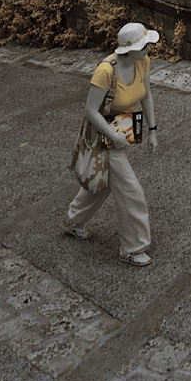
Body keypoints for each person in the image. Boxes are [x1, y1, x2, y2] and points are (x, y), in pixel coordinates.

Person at [63, 20, 160, 263]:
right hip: (102, 132)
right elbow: (91, 111)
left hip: (123, 125)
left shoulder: (143, 61)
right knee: (130, 190)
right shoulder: (105, 71)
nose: (149, 48)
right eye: (145, 44)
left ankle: (73, 221)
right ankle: (133, 248)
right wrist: (114, 136)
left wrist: (152, 130)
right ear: (130, 49)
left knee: (103, 182)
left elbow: (146, 95)